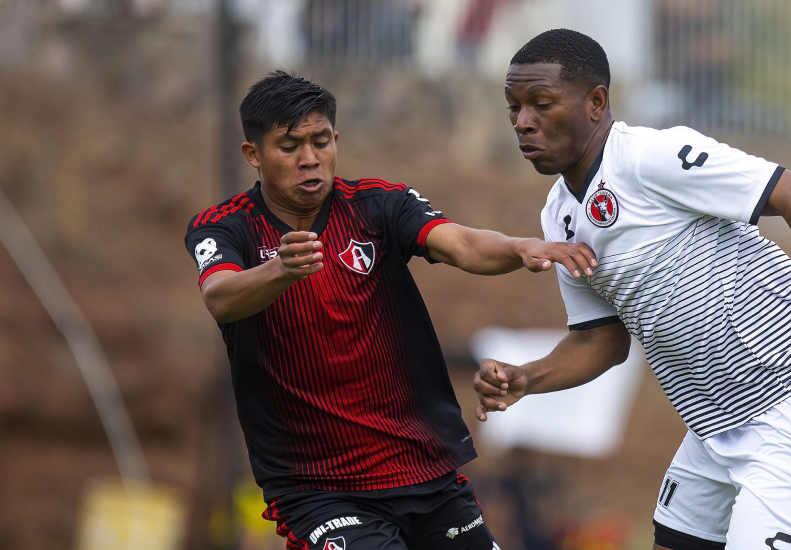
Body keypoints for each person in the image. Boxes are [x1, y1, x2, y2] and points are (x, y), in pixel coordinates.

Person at [473, 29, 791, 550]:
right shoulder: (559, 215)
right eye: (514, 107)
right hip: (713, 429)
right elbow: (600, 342)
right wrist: (527, 377)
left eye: (541, 104)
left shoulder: (651, 156)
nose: (523, 121)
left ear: (595, 102)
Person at [184, 71, 596, 550]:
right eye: (289, 146)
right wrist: (280, 271)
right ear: (253, 154)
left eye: (320, 141)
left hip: (421, 467)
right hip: (319, 488)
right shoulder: (225, 227)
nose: (310, 159)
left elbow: (460, 243)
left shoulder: (377, 205)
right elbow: (220, 296)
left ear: (336, 138)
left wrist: (519, 246)